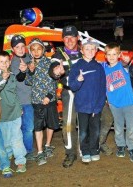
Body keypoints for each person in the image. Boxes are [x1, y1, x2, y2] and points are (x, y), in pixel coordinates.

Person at [68, 38, 106, 163]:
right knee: (83, 131)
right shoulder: (76, 66)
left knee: (95, 130)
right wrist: (78, 80)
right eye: (87, 48)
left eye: (92, 48)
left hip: (96, 107)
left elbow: (102, 88)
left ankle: (94, 150)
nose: (90, 51)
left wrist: (98, 106)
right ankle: (85, 151)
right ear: (82, 50)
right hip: (82, 106)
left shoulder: (99, 67)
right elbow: (72, 86)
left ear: (96, 51)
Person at [0, 51, 27, 173]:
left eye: (6, 61)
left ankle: (20, 161)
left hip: (15, 111)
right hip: (0, 115)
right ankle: (9, 154)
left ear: (10, 62)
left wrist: (23, 71)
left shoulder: (12, 74)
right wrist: (3, 80)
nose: (4, 64)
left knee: (17, 138)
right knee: (5, 139)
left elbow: (17, 88)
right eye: (1, 62)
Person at [49, 25, 82, 168]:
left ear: (77, 37)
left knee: (87, 122)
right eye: (66, 37)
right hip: (69, 92)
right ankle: (70, 153)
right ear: (62, 39)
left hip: (86, 92)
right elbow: (53, 70)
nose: (69, 40)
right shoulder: (58, 55)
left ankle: (86, 149)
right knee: (68, 125)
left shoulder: (85, 50)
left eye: (72, 37)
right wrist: (56, 72)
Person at [25, 38, 60, 166]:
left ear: (43, 50)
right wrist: (31, 71)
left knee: (51, 124)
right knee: (38, 126)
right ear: (30, 51)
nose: (36, 52)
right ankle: (40, 152)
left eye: (39, 49)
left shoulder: (50, 63)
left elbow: (54, 81)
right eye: (33, 49)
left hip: (49, 99)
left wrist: (49, 96)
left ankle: (47, 145)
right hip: (36, 101)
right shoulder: (30, 64)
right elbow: (28, 82)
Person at [103, 42, 133, 162]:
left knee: (131, 127)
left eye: (114, 54)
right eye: (109, 54)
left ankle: (132, 148)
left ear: (119, 55)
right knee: (118, 127)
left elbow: (126, 62)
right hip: (114, 104)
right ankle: (121, 146)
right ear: (105, 56)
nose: (112, 57)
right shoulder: (104, 68)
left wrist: (126, 61)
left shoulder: (123, 66)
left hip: (129, 103)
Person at [10, 34, 35, 161]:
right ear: (13, 49)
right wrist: (24, 71)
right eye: (17, 47)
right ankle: (26, 151)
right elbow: (19, 78)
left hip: (33, 99)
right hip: (21, 101)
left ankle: (27, 149)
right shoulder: (12, 62)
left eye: (22, 46)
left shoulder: (30, 57)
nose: (20, 49)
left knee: (30, 127)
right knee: (26, 128)